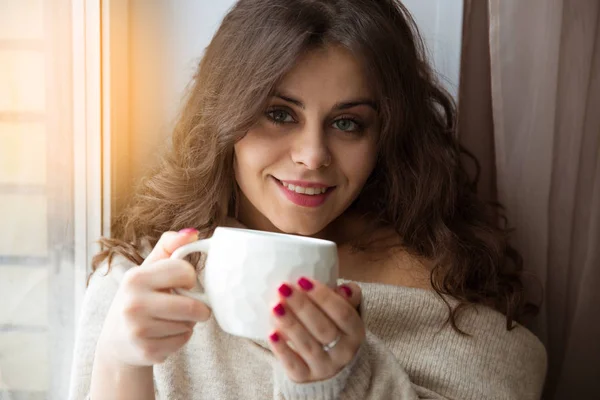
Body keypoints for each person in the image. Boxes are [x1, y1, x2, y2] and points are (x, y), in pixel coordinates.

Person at [68, 0, 547, 399]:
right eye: (278, 113)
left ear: (387, 136)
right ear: (226, 119)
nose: (312, 156)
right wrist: (119, 362)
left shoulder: (454, 302)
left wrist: (346, 381)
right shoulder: (139, 284)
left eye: (347, 123)